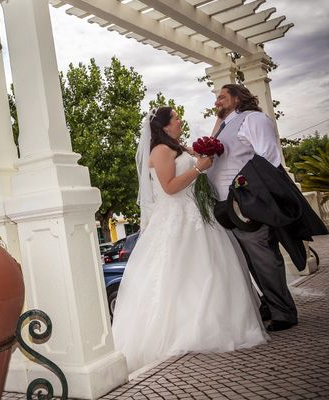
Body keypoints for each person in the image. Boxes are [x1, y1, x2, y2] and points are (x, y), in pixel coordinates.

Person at [112, 106, 268, 374]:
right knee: (182, 274)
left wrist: (218, 125)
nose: (179, 119)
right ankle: (185, 332)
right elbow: (170, 187)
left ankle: (220, 323)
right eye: (174, 117)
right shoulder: (160, 151)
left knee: (211, 269)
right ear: (163, 126)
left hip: (196, 215)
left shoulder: (178, 146)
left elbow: (200, 158)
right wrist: (198, 168)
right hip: (176, 218)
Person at [207, 84, 298, 331]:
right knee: (249, 259)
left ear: (238, 98)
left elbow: (268, 158)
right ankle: (271, 301)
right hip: (227, 206)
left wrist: (246, 193)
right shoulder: (224, 127)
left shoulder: (254, 119)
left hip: (247, 202)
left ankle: (284, 312)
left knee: (263, 255)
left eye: (222, 97)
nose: (217, 102)